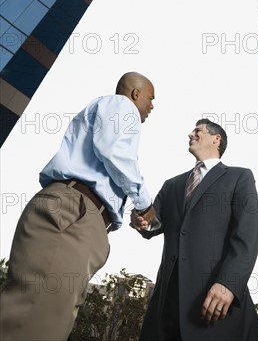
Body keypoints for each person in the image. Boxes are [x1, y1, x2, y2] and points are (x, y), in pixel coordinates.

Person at [0, 71, 157, 341]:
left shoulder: (104, 111)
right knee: (36, 324)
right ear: (135, 94)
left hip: (76, 215)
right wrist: (144, 203)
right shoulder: (123, 106)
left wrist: (124, 208)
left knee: (44, 319)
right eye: (151, 99)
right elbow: (113, 151)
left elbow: (107, 162)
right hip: (74, 215)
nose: (152, 106)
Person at [131, 118, 258, 341]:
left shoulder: (239, 177)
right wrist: (141, 219)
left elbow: (247, 235)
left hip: (215, 298)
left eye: (197, 131)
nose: (190, 134)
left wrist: (229, 283)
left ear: (216, 138)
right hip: (168, 302)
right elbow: (154, 224)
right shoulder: (171, 184)